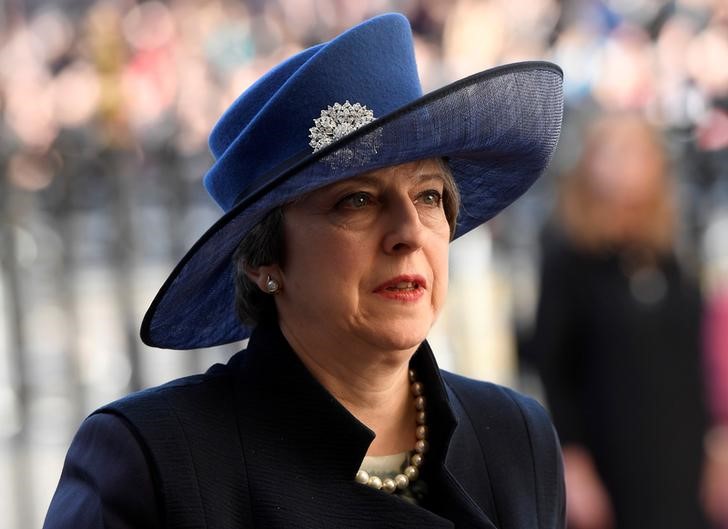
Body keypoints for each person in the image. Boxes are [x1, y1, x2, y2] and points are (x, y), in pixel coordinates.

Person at [43, 13, 565, 528]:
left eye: (428, 195)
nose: (409, 230)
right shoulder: (156, 462)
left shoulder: (516, 436)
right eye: (357, 200)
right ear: (263, 260)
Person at [532, 113, 709, 529]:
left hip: (680, 460)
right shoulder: (569, 260)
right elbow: (552, 366)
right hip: (607, 456)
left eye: (638, 152)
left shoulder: (670, 260)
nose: (628, 165)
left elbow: (694, 362)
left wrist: (715, 446)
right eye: (614, 152)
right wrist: (572, 462)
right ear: (590, 164)